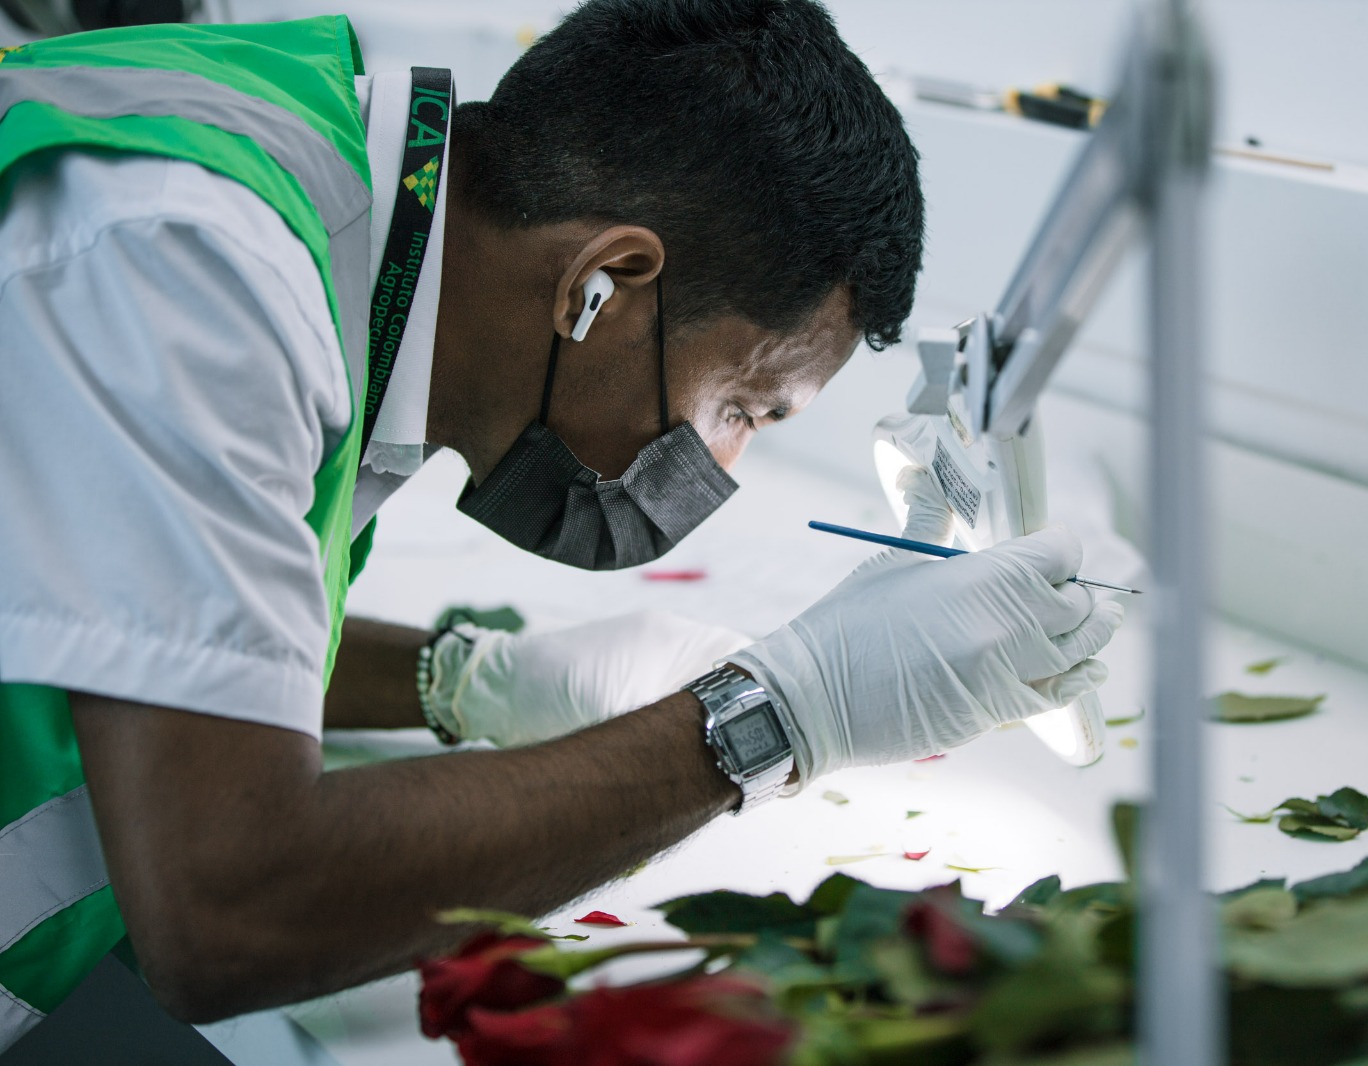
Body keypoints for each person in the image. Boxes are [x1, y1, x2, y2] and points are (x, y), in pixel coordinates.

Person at [0, 0, 1121, 1047]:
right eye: (740, 407)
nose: (724, 463)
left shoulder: (325, 188)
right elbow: (230, 905)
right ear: (604, 283)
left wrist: (461, 675)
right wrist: (772, 717)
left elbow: (162, 613)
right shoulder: (195, 264)